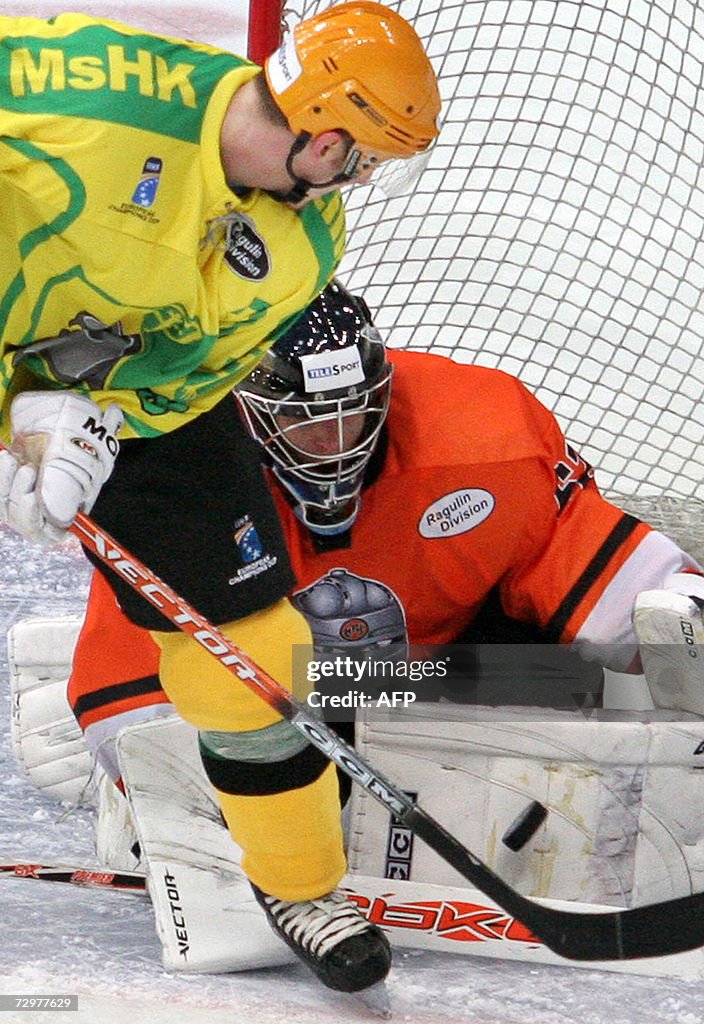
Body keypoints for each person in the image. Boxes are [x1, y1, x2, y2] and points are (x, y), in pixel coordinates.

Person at [61, 280, 704, 980]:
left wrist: (680, 623)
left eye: (356, 411)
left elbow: (627, 593)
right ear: (248, 407)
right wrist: (206, 806)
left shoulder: (484, 434)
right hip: (286, 702)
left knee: (596, 676)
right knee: (210, 745)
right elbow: (134, 701)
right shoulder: (184, 475)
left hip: (443, 675)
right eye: (308, 421)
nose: (337, 444)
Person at [0, 5, 441, 997]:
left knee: (250, 643)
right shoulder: (94, 98)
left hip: (126, 408)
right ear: (324, 136)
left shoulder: (304, 240)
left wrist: (89, 421)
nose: (360, 183)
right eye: (364, 159)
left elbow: (187, 370)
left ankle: (301, 887)